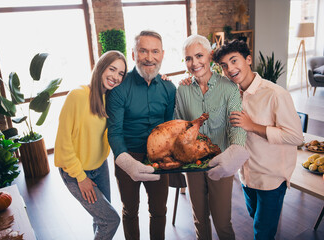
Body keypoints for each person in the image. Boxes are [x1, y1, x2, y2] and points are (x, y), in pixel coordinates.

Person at [212, 39, 303, 240]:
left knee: (263, 232)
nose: (230, 69)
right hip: (246, 175)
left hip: (271, 178)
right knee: (256, 220)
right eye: (224, 66)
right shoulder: (232, 92)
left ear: (249, 60)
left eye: (234, 61)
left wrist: (252, 126)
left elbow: (296, 136)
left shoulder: (276, 94)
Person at [175, 34, 249, 240]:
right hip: (193, 165)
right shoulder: (182, 89)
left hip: (221, 163)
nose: (194, 62)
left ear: (209, 56)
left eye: (199, 56)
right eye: (189, 58)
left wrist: (234, 153)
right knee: (199, 220)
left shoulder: (229, 88)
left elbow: (237, 126)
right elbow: (179, 125)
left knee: (222, 222)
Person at [106, 30, 176, 240]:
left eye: (155, 51)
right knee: (130, 210)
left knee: (159, 211)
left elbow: (168, 127)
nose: (149, 57)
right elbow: (115, 131)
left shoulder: (169, 88)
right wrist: (127, 161)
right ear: (134, 54)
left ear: (162, 54)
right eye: (143, 51)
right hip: (128, 156)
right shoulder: (118, 89)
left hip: (158, 159)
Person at [54, 50, 127, 240]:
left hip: (100, 166)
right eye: (112, 69)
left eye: (121, 73)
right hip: (76, 172)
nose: (116, 77)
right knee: (111, 220)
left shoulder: (110, 99)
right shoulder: (77, 96)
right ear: (101, 67)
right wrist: (80, 177)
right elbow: (63, 143)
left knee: (100, 219)